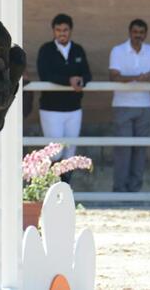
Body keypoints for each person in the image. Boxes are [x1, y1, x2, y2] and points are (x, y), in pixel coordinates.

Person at [108, 19, 150, 192]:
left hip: (144, 106)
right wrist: (136, 78)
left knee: (140, 150)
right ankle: (119, 190)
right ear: (129, 32)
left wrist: (148, 78)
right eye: (135, 32)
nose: (138, 35)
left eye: (141, 32)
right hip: (122, 105)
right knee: (123, 150)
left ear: (145, 34)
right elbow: (114, 76)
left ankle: (135, 190)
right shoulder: (117, 51)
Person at [35, 13, 92, 179]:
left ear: (70, 31)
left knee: (70, 152)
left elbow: (87, 74)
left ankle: (66, 188)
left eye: (65, 30)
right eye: (58, 30)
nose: (62, 33)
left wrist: (81, 80)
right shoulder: (46, 50)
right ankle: (50, 186)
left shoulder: (78, 49)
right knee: (54, 152)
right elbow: (45, 75)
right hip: (51, 109)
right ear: (53, 31)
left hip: (74, 108)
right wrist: (69, 81)